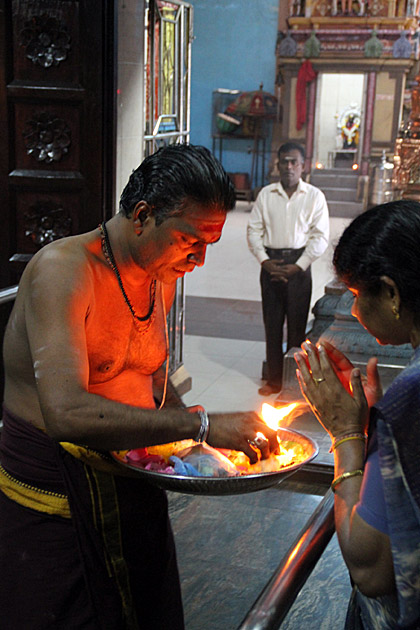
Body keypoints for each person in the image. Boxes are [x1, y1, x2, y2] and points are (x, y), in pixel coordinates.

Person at [0, 144, 278, 630]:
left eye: (210, 243)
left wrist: (201, 450)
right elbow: (66, 413)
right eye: (191, 240)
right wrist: (203, 425)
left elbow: (153, 379)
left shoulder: (157, 276)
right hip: (59, 498)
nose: (201, 259)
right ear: (144, 216)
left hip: (134, 486)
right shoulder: (64, 271)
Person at [294, 199, 420, 629]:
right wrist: (376, 429)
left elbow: (370, 568)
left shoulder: (412, 398)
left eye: (354, 294)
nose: (350, 310)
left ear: (391, 292)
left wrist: (347, 434)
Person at [247, 141, 329, 396]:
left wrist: (299, 266)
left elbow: (320, 237)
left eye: (294, 162)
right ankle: (274, 380)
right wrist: (264, 260)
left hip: (299, 267)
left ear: (303, 166)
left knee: (297, 326)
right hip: (270, 265)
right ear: (278, 164)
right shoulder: (266, 194)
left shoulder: (314, 197)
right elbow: (254, 230)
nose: (289, 167)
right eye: (285, 161)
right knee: (272, 324)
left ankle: (294, 382)